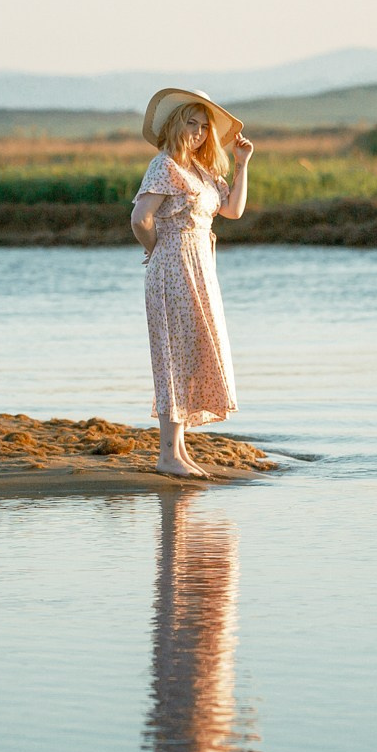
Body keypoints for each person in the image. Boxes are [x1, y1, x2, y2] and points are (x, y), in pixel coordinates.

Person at [130, 88, 254, 477]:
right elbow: (140, 219)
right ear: (174, 123)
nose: (199, 133)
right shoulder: (164, 165)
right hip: (173, 265)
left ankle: (179, 451)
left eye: (204, 127)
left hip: (201, 267)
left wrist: (242, 164)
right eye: (191, 123)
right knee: (174, 355)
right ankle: (167, 455)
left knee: (195, 353)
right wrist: (157, 252)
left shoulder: (201, 172)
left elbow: (232, 210)